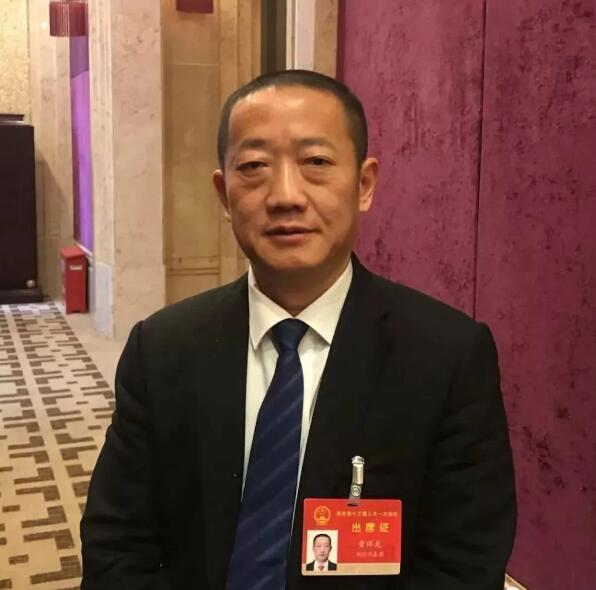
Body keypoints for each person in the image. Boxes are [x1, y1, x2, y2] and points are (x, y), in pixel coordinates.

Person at [80, 69, 516, 590]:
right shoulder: (161, 349)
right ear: (224, 195)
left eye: (316, 163)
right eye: (254, 167)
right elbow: (116, 546)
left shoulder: (447, 357)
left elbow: (463, 567)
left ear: (364, 184)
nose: (285, 195)